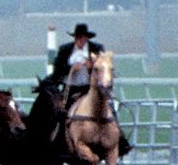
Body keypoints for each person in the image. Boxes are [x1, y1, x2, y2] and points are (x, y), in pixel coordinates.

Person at [50, 21, 131, 155]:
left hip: (91, 89)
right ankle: (59, 142)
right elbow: (57, 70)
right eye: (78, 38)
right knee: (63, 113)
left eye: (82, 37)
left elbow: (104, 67)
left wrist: (91, 68)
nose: (80, 40)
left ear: (86, 38)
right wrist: (71, 69)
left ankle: (120, 141)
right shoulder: (65, 50)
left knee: (109, 111)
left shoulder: (97, 49)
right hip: (72, 88)